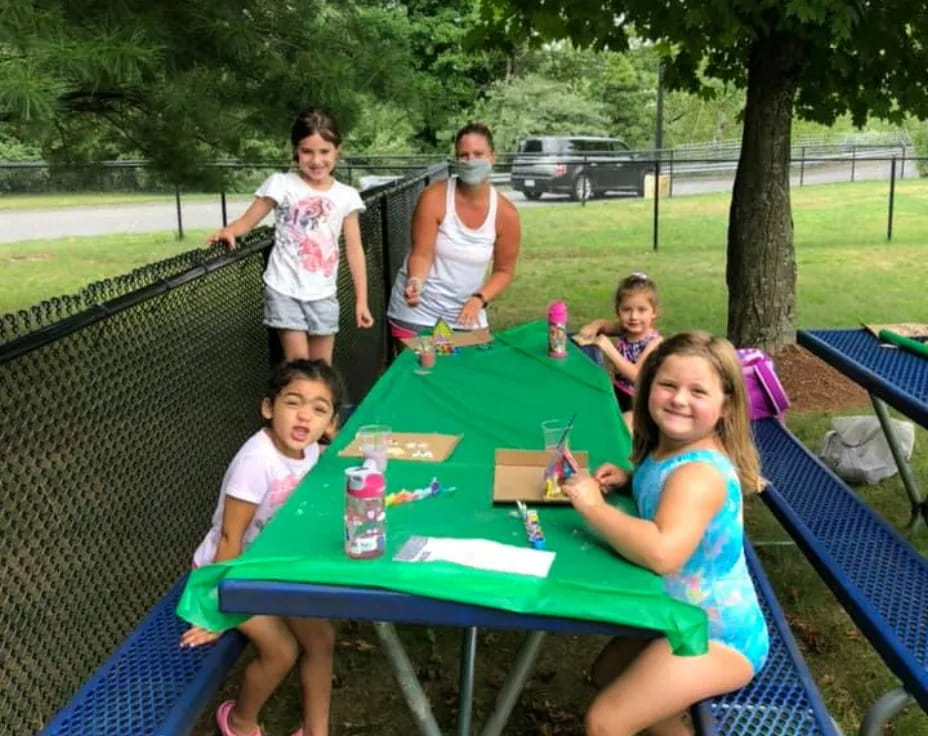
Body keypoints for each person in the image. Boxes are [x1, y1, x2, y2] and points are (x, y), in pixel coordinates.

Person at [563, 331, 769, 736]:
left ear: (725, 405)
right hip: (674, 613)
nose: (679, 399)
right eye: (668, 385)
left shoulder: (699, 474)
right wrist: (629, 479)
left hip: (716, 634)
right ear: (648, 387)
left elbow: (662, 553)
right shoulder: (668, 448)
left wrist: (593, 508)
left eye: (698, 391)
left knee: (606, 721)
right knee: (607, 674)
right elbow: (663, 490)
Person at [180, 359, 345, 736]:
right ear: (268, 407)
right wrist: (218, 609)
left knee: (321, 639)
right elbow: (229, 538)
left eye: (319, 409)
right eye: (292, 402)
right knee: (282, 650)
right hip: (228, 571)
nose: (304, 416)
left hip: (270, 567)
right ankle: (240, 722)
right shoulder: (257, 460)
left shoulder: (312, 452)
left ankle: (316, 732)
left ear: (330, 424)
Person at [209, 107, 373, 365]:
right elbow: (248, 221)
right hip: (283, 288)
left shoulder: (347, 196)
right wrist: (230, 231)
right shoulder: (281, 184)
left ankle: (325, 407)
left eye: (324, 152)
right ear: (296, 150)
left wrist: (361, 300)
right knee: (297, 363)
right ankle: (292, 404)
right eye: (307, 151)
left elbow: (354, 250)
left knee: (321, 368)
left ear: (337, 150)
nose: (316, 160)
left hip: (323, 293)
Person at [386, 122, 521, 343]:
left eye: (478, 154)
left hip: (467, 315)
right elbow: (421, 253)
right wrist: (416, 281)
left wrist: (479, 299)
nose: (470, 161)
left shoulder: (506, 214)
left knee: (466, 375)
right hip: (418, 313)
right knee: (424, 372)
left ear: (492, 157)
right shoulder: (434, 197)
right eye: (463, 155)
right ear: (456, 160)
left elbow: (504, 271)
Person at [578, 272, 661, 429]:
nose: (633, 316)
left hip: (641, 403)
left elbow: (637, 376)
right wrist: (593, 326)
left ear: (654, 313)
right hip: (619, 394)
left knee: (623, 432)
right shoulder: (623, 328)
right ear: (618, 311)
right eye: (626, 310)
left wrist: (609, 349)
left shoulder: (654, 343)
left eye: (642, 310)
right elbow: (603, 324)